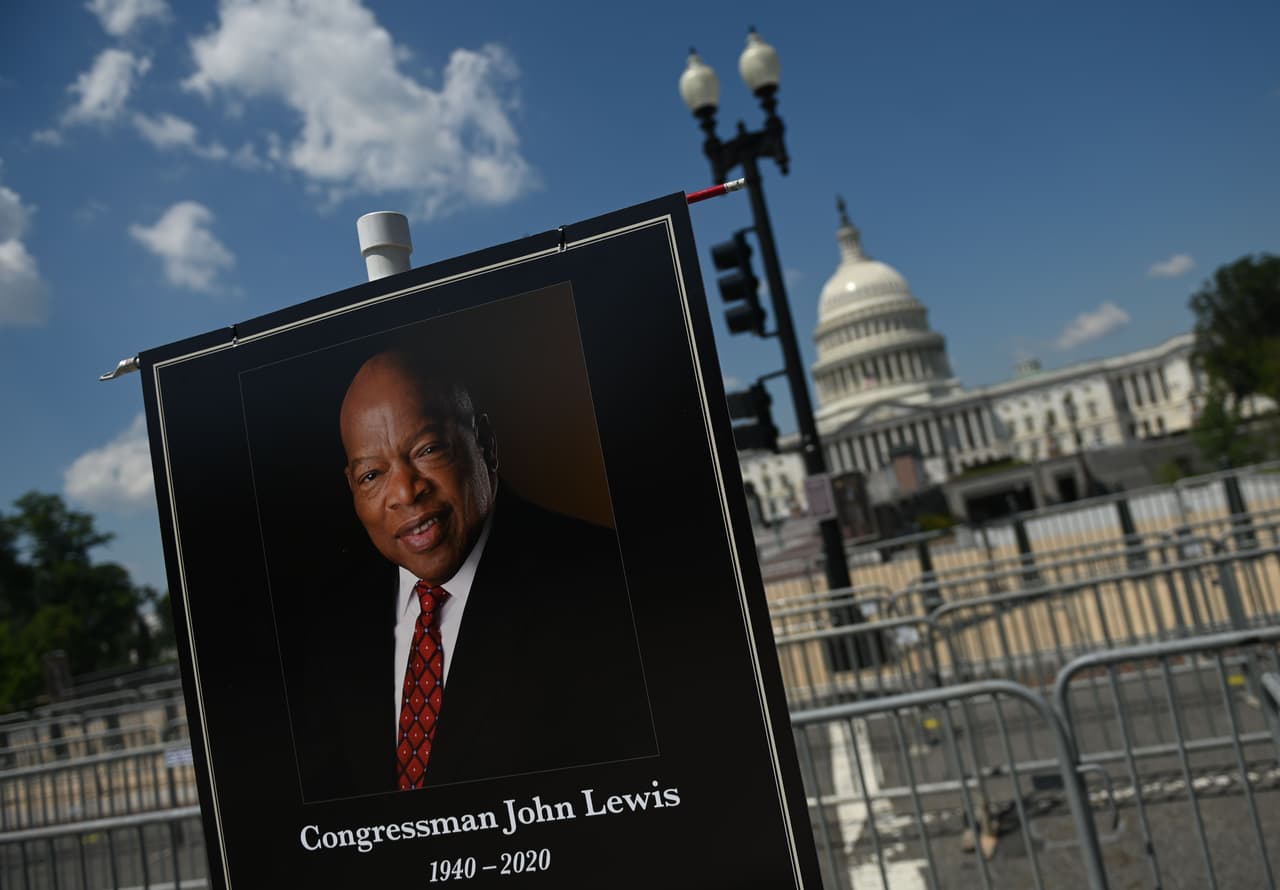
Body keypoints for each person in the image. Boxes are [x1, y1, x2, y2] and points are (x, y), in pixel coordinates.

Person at [290, 348, 654, 801]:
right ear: (352, 488)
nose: (405, 491)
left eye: (428, 449)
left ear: (485, 442)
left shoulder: (608, 582)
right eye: (372, 476)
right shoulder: (335, 625)